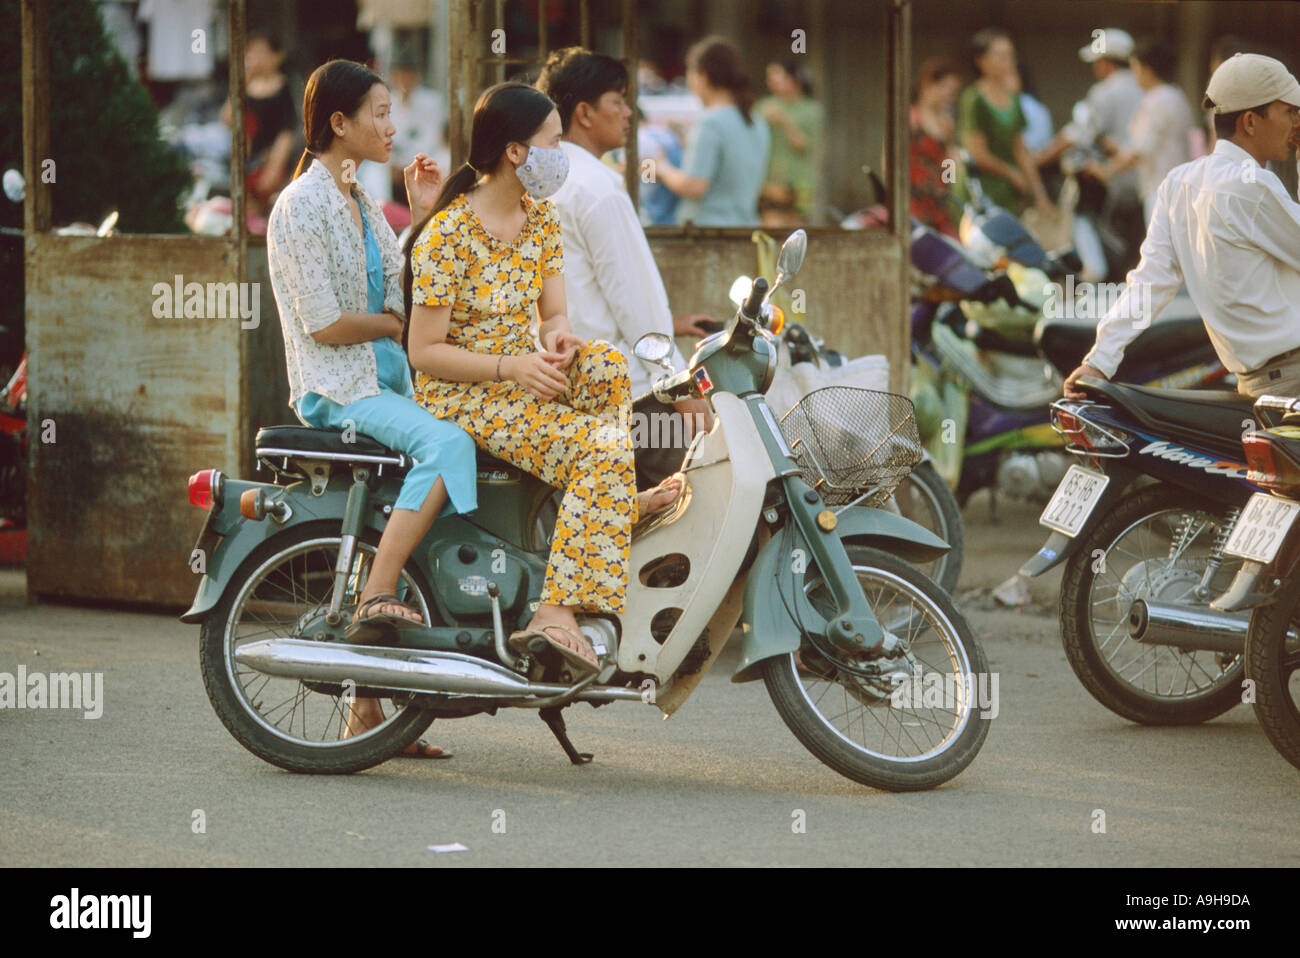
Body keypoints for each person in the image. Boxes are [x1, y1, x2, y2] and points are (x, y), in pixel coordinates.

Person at [404, 82, 684, 675]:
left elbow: (554, 314)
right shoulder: (447, 235)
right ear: (515, 152)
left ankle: (603, 499)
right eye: (554, 141)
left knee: (606, 365)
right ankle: (554, 612)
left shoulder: (541, 221)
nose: (562, 154)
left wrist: (558, 339)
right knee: (601, 448)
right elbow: (424, 353)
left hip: (520, 377)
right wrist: (512, 366)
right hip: (460, 396)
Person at [266, 59, 478, 757]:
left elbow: (399, 287)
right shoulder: (301, 205)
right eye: (380, 114)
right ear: (339, 123)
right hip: (341, 391)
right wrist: (393, 329)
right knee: (450, 447)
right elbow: (325, 324)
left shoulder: (357, 196)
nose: (392, 127)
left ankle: (366, 714)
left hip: (386, 385)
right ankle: (375, 596)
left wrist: (420, 215)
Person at [1063, 54, 1300, 401]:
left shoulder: (1178, 183)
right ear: (1250, 122)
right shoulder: (1253, 186)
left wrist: (1100, 359)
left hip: (1256, 385)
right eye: (1289, 111)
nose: (1296, 122)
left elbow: (1149, 282)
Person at [536, 47, 715, 488]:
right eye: (618, 100)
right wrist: (683, 392)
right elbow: (634, 304)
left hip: (568, 385)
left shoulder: (544, 181)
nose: (629, 113)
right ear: (584, 112)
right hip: (636, 396)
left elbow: (584, 291)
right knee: (697, 502)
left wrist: (672, 323)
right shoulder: (598, 188)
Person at [654, 37, 770, 226]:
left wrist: (661, 167)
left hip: (707, 233)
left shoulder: (710, 123)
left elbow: (695, 186)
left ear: (702, 76)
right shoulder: (757, 121)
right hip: (745, 230)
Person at [1088, 38, 1196, 223]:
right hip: (1180, 189)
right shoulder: (1177, 96)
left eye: (1134, 68)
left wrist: (1105, 170)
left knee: (1160, 250)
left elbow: (1139, 151)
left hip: (1161, 191)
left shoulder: (1156, 101)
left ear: (1147, 69)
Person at [955, 27, 1051, 216]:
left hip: (1008, 192)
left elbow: (1020, 149)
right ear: (981, 61)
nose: (1008, 62)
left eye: (1010, 55)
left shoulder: (1014, 100)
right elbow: (976, 152)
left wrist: (1040, 193)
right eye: (1000, 56)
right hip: (981, 189)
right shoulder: (973, 98)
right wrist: (1011, 173)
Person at [222, 32, 299, 219]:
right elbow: (227, 119)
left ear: (277, 56)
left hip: (275, 160)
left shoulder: (285, 87)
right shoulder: (246, 87)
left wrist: (274, 167)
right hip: (247, 158)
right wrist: (241, 84)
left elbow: (286, 131)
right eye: (251, 53)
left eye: (261, 53)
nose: (255, 58)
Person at [756, 58, 825, 226]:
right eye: (770, 79)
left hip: (799, 179)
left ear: (795, 80)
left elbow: (803, 144)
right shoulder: (763, 106)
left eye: (778, 78)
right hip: (770, 178)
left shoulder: (811, 110)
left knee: (796, 230)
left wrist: (784, 122)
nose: (772, 84)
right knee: (771, 226)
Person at [909, 57, 962, 237]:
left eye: (953, 92)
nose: (949, 95)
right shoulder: (911, 119)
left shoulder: (947, 124)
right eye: (945, 88)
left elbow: (949, 164)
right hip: (912, 200)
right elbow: (890, 160)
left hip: (939, 202)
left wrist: (951, 180)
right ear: (928, 84)